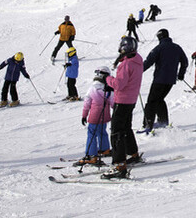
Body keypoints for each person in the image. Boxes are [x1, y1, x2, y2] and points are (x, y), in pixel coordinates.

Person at [106, 36, 144, 178]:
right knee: (126, 127)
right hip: (131, 99)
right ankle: (133, 153)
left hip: (122, 100)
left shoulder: (126, 64)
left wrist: (107, 79)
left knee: (116, 131)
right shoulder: (137, 60)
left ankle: (119, 165)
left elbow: (119, 85)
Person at [141, 29, 188, 130]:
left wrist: (137, 72)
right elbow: (185, 61)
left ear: (160, 37)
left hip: (159, 79)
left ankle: (148, 124)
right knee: (159, 99)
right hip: (170, 81)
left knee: (152, 101)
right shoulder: (177, 47)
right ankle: (163, 121)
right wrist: (180, 74)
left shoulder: (159, 48)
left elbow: (148, 62)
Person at [80, 67, 113, 165]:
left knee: (92, 134)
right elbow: (113, 103)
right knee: (102, 131)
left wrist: (84, 115)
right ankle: (105, 149)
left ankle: (91, 155)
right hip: (105, 115)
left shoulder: (92, 89)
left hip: (94, 116)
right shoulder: (108, 90)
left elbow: (87, 103)